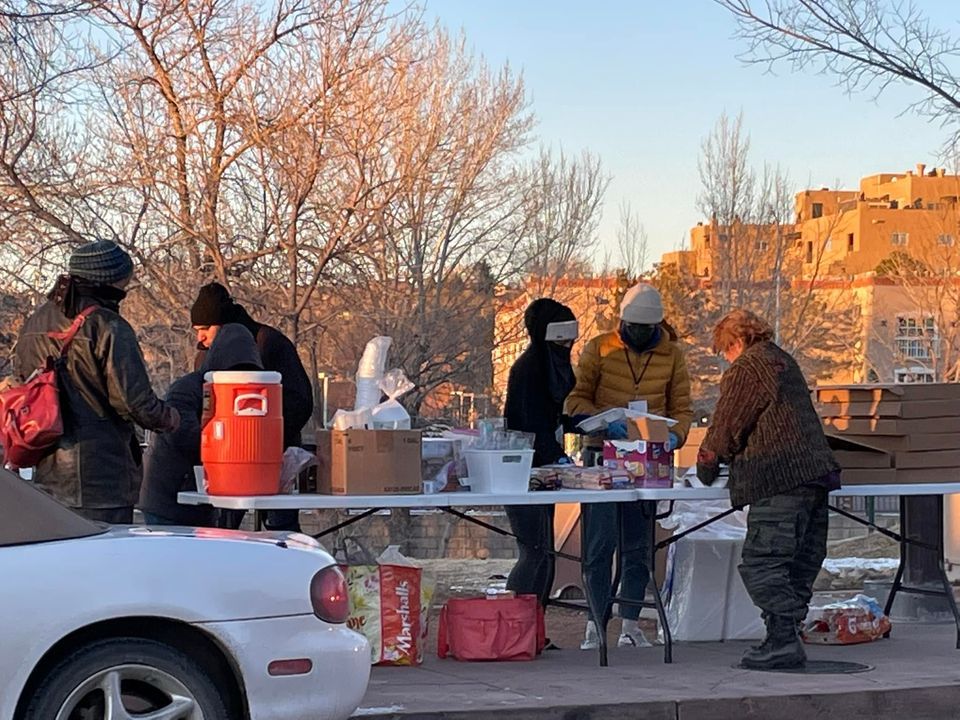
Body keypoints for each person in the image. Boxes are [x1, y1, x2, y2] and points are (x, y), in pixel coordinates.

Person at [697, 309, 840, 670]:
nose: (726, 357)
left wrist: (706, 463)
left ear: (739, 342)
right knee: (799, 562)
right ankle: (785, 634)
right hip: (815, 476)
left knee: (763, 563)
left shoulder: (748, 367)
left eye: (726, 349)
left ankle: (782, 639)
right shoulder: (783, 360)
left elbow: (728, 423)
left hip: (778, 477)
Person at [14, 239, 180, 524]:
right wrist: (172, 419)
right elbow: (133, 401)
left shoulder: (34, 323)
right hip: (102, 480)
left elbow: (21, 384)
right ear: (110, 280)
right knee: (107, 563)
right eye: (124, 283)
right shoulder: (108, 325)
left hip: (48, 476)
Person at [565, 282, 692, 650]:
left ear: (656, 327)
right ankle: (595, 624)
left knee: (638, 547)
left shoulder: (672, 356)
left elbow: (682, 408)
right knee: (599, 545)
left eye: (644, 329)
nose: (636, 334)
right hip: (602, 456)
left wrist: (675, 436)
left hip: (648, 459)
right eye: (630, 327)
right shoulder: (600, 348)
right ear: (622, 322)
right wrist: (602, 421)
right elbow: (576, 399)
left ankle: (631, 624)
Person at [190, 282, 313, 531]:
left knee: (281, 530)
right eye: (196, 329)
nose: (199, 337)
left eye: (205, 328)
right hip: (226, 459)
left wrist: (264, 437)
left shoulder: (271, 343)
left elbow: (300, 400)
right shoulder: (205, 355)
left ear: (223, 325)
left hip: (275, 454)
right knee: (222, 529)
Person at [139, 324, 263, 526]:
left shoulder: (210, 389)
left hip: (196, 496)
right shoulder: (188, 389)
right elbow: (181, 433)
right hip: (170, 497)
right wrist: (231, 446)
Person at [503, 299, 578, 633]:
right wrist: (552, 451)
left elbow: (549, 417)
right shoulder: (527, 370)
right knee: (533, 551)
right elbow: (527, 423)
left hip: (546, 470)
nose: (566, 348)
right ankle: (517, 628)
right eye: (561, 341)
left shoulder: (550, 369)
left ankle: (535, 629)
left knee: (546, 553)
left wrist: (576, 424)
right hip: (523, 472)